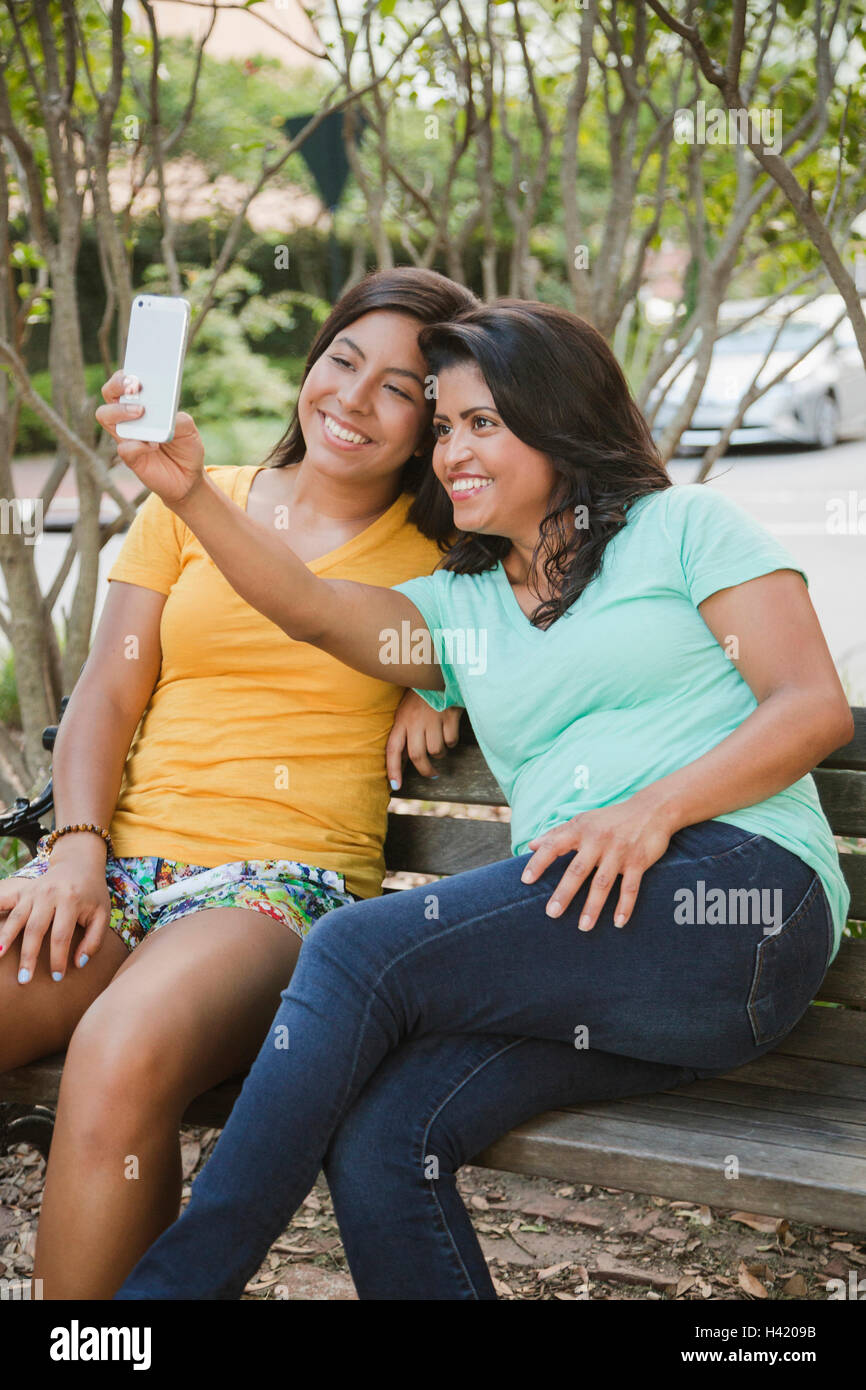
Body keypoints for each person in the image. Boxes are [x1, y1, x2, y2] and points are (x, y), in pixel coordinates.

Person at [112, 298, 852, 1301]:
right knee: (387, 1135)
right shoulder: (454, 612)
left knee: (352, 947)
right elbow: (311, 605)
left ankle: (160, 1307)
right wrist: (192, 493)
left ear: (556, 421)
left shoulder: (681, 527)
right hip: (602, 954)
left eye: (482, 423)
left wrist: (654, 810)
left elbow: (810, 706)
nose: (451, 449)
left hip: (737, 899)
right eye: (444, 424)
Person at [0, 267, 476, 1299]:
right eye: (343, 360)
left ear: (434, 421)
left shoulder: (449, 558)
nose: (353, 399)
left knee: (120, 1050)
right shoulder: (187, 510)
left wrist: (450, 683)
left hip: (279, 889)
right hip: (115, 866)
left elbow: (499, 625)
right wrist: (76, 847)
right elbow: (105, 696)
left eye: (400, 388)